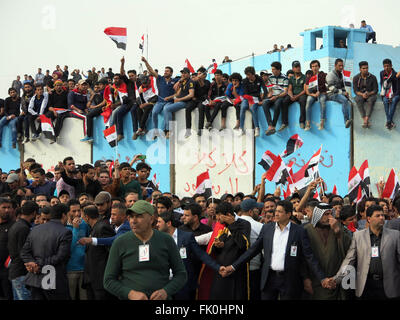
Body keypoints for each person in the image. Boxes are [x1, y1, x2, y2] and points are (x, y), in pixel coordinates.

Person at [220, 200, 330, 300]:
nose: (276, 214)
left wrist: (322, 278)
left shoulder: (299, 231)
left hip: (289, 279)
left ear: (288, 214)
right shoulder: (267, 228)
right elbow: (253, 250)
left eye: (280, 212)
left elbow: (309, 256)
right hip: (269, 278)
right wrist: (233, 266)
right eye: (276, 211)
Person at [103, 200, 187, 300]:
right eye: (131, 217)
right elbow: (108, 280)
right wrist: (129, 294)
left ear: (151, 219)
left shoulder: (166, 240)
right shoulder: (120, 242)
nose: (133, 220)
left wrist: (166, 291)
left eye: (139, 216)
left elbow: (181, 274)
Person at [330, 205, 400, 299]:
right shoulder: (358, 236)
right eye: (378, 215)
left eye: (382, 215)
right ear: (369, 219)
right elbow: (349, 260)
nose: (382, 218)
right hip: (366, 285)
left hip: (389, 285)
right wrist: (336, 279)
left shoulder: (395, 235)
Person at [157, 210, 220, 300]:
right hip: (164, 285)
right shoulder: (158, 238)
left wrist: (218, 267)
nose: (157, 225)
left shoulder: (186, 236)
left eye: (159, 222)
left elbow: (201, 254)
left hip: (183, 285)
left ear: (168, 223)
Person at [20, 204, 72, 300]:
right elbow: (61, 256)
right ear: (64, 215)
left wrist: (33, 264)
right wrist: (37, 265)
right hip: (53, 280)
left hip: (35, 279)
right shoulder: (65, 232)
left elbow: (24, 252)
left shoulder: (35, 229)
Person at [303, 203, 352, 300]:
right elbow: (304, 257)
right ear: (318, 215)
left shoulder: (338, 228)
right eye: (326, 214)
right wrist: (305, 278)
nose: (330, 217)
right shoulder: (306, 230)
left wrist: (338, 232)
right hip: (315, 281)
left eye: (330, 214)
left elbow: (349, 251)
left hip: (336, 281)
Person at [208, 202, 251, 300]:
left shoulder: (243, 224)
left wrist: (232, 224)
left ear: (228, 215)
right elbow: (216, 250)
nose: (217, 219)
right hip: (221, 271)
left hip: (236, 271)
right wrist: (218, 246)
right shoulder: (222, 226)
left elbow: (243, 245)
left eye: (219, 216)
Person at [81, 205, 115, 300]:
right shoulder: (94, 228)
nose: (82, 219)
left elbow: (112, 253)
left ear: (87, 217)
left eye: (82, 216)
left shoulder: (102, 227)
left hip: (100, 281)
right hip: (92, 280)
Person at [141, 57, 178, 139]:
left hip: (169, 102)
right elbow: (151, 70)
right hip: (160, 101)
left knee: (166, 110)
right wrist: (145, 61)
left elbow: (184, 78)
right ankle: (155, 131)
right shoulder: (160, 78)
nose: (165, 72)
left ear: (171, 73)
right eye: (165, 71)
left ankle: (167, 130)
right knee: (154, 112)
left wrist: (179, 81)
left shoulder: (175, 80)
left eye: (167, 71)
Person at [8, 201, 38, 300]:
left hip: (16, 271)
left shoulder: (17, 225)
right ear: (34, 213)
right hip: (21, 272)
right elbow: (24, 251)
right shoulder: (23, 228)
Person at [237, 199, 264, 300]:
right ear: (250, 212)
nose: (259, 212)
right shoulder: (260, 226)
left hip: (236, 269)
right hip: (253, 270)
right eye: (257, 210)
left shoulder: (234, 224)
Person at [65, 199, 89, 300]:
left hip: (84, 268)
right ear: (67, 212)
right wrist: (75, 228)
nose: (77, 214)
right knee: (71, 296)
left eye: (79, 210)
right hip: (71, 269)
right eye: (74, 211)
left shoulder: (85, 224)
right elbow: (69, 248)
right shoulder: (64, 226)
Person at [163, 67, 195, 139]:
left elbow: (191, 95)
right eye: (182, 73)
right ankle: (166, 129)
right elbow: (177, 94)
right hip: (179, 101)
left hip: (184, 102)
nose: (183, 74)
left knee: (167, 109)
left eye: (185, 73)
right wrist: (170, 97)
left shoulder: (190, 82)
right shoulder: (183, 82)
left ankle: (169, 130)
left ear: (188, 74)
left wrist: (179, 99)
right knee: (165, 107)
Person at [262, 62, 289, 135]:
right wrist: (269, 96)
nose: (272, 71)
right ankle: (270, 125)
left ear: (278, 70)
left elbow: (285, 92)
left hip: (280, 96)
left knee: (277, 104)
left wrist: (276, 96)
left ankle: (273, 126)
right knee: (264, 103)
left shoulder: (285, 78)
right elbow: (270, 90)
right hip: (273, 96)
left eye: (273, 69)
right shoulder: (270, 78)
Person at [184, 67, 210, 138]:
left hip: (202, 100)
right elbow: (191, 90)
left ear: (204, 75)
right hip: (194, 100)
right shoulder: (193, 81)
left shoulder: (207, 82)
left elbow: (204, 89)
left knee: (201, 108)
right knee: (188, 108)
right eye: (198, 74)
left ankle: (200, 129)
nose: (198, 75)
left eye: (200, 74)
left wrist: (200, 80)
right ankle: (188, 130)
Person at [326, 58, 352, 128]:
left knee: (349, 100)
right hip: (330, 94)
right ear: (335, 65)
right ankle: (346, 120)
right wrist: (343, 94)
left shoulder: (341, 75)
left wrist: (345, 92)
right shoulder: (330, 74)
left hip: (338, 93)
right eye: (339, 65)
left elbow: (342, 86)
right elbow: (331, 88)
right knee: (344, 100)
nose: (341, 67)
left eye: (342, 66)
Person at [80, 79, 108, 143]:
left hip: (105, 108)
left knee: (89, 115)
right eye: (98, 85)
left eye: (100, 85)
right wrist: (90, 101)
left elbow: (104, 102)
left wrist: (94, 107)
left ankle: (89, 136)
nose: (99, 86)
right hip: (102, 107)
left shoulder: (106, 90)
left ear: (105, 85)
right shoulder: (101, 91)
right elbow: (94, 94)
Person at [282, 61, 307, 130]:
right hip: (293, 95)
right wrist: (291, 96)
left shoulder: (304, 77)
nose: (298, 68)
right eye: (296, 67)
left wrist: (296, 96)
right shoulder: (291, 78)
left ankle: (302, 121)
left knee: (303, 100)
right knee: (285, 101)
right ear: (293, 69)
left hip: (301, 94)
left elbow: (305, 90)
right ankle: (285, 122)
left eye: (299, 66)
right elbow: (289, 89)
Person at [353, 61, 378, 128]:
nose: (365, 70)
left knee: (371, 100)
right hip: (361, 95)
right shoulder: (356, 78)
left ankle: (366, 119)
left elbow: (375, 90)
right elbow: (355, 90)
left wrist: (369, 93)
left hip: (370, 95)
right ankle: (365, 119)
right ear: (360, 69)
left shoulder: (373, 77)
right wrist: (362, 94)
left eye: (367, 68)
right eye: (363, 68)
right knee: (357, 99)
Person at [133, 74, 159, 139]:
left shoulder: (153, 85)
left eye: (145, 83)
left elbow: (156, 97)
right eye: (143, 83)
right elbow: (138, 98)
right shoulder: (141, 88)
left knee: (147, 108)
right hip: (146, 102)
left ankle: (141, 128)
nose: (144, 85)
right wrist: (141, 104)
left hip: (153, 102)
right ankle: (144, 128)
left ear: (148, 81)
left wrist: (146, 104)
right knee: (138, 109)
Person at [240, 66, 263, 136]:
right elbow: (246, 92)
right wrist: (250, 101)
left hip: (256, 98)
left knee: (252, 108)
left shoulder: (259, 79)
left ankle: (257, 128)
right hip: (247, 97)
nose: (248, 76)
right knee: (243, 107)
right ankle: (241, 128)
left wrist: (262, 100)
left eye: (249, 74)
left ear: (253, 74)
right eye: (246, 75)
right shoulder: (245, 81)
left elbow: (264, 90)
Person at [305, 60, 328, 130]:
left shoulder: (323, 75)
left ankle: (322, 122)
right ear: (311, 68)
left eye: (316, 66)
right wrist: (313, 94)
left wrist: (324, 91)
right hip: (312, 94)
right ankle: (308, 123)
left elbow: (328, 85)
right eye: (313, 66)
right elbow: (307, 90)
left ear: (319, 67)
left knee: (323, 101)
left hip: (321, 93)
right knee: (308, 101)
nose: (314, 68)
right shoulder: (309, 77)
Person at [0, 198, 16, 300]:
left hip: (8, 271)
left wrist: (8, 263)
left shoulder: (15, 226)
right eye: (4, 207)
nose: (7, 210)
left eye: (9, 207)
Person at [380, 58, 400, 130]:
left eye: (388, 66)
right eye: (385, 66)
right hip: (386, 93)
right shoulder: (382, 73)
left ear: (391, 66)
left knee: (394, 100)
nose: (386, 68)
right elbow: (382, 84)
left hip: (396, 94)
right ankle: (390, 121)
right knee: (385, 101)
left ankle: (388, 121)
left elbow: (398, 88)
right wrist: (385, 94)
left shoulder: (395, 74)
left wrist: (392, 96)